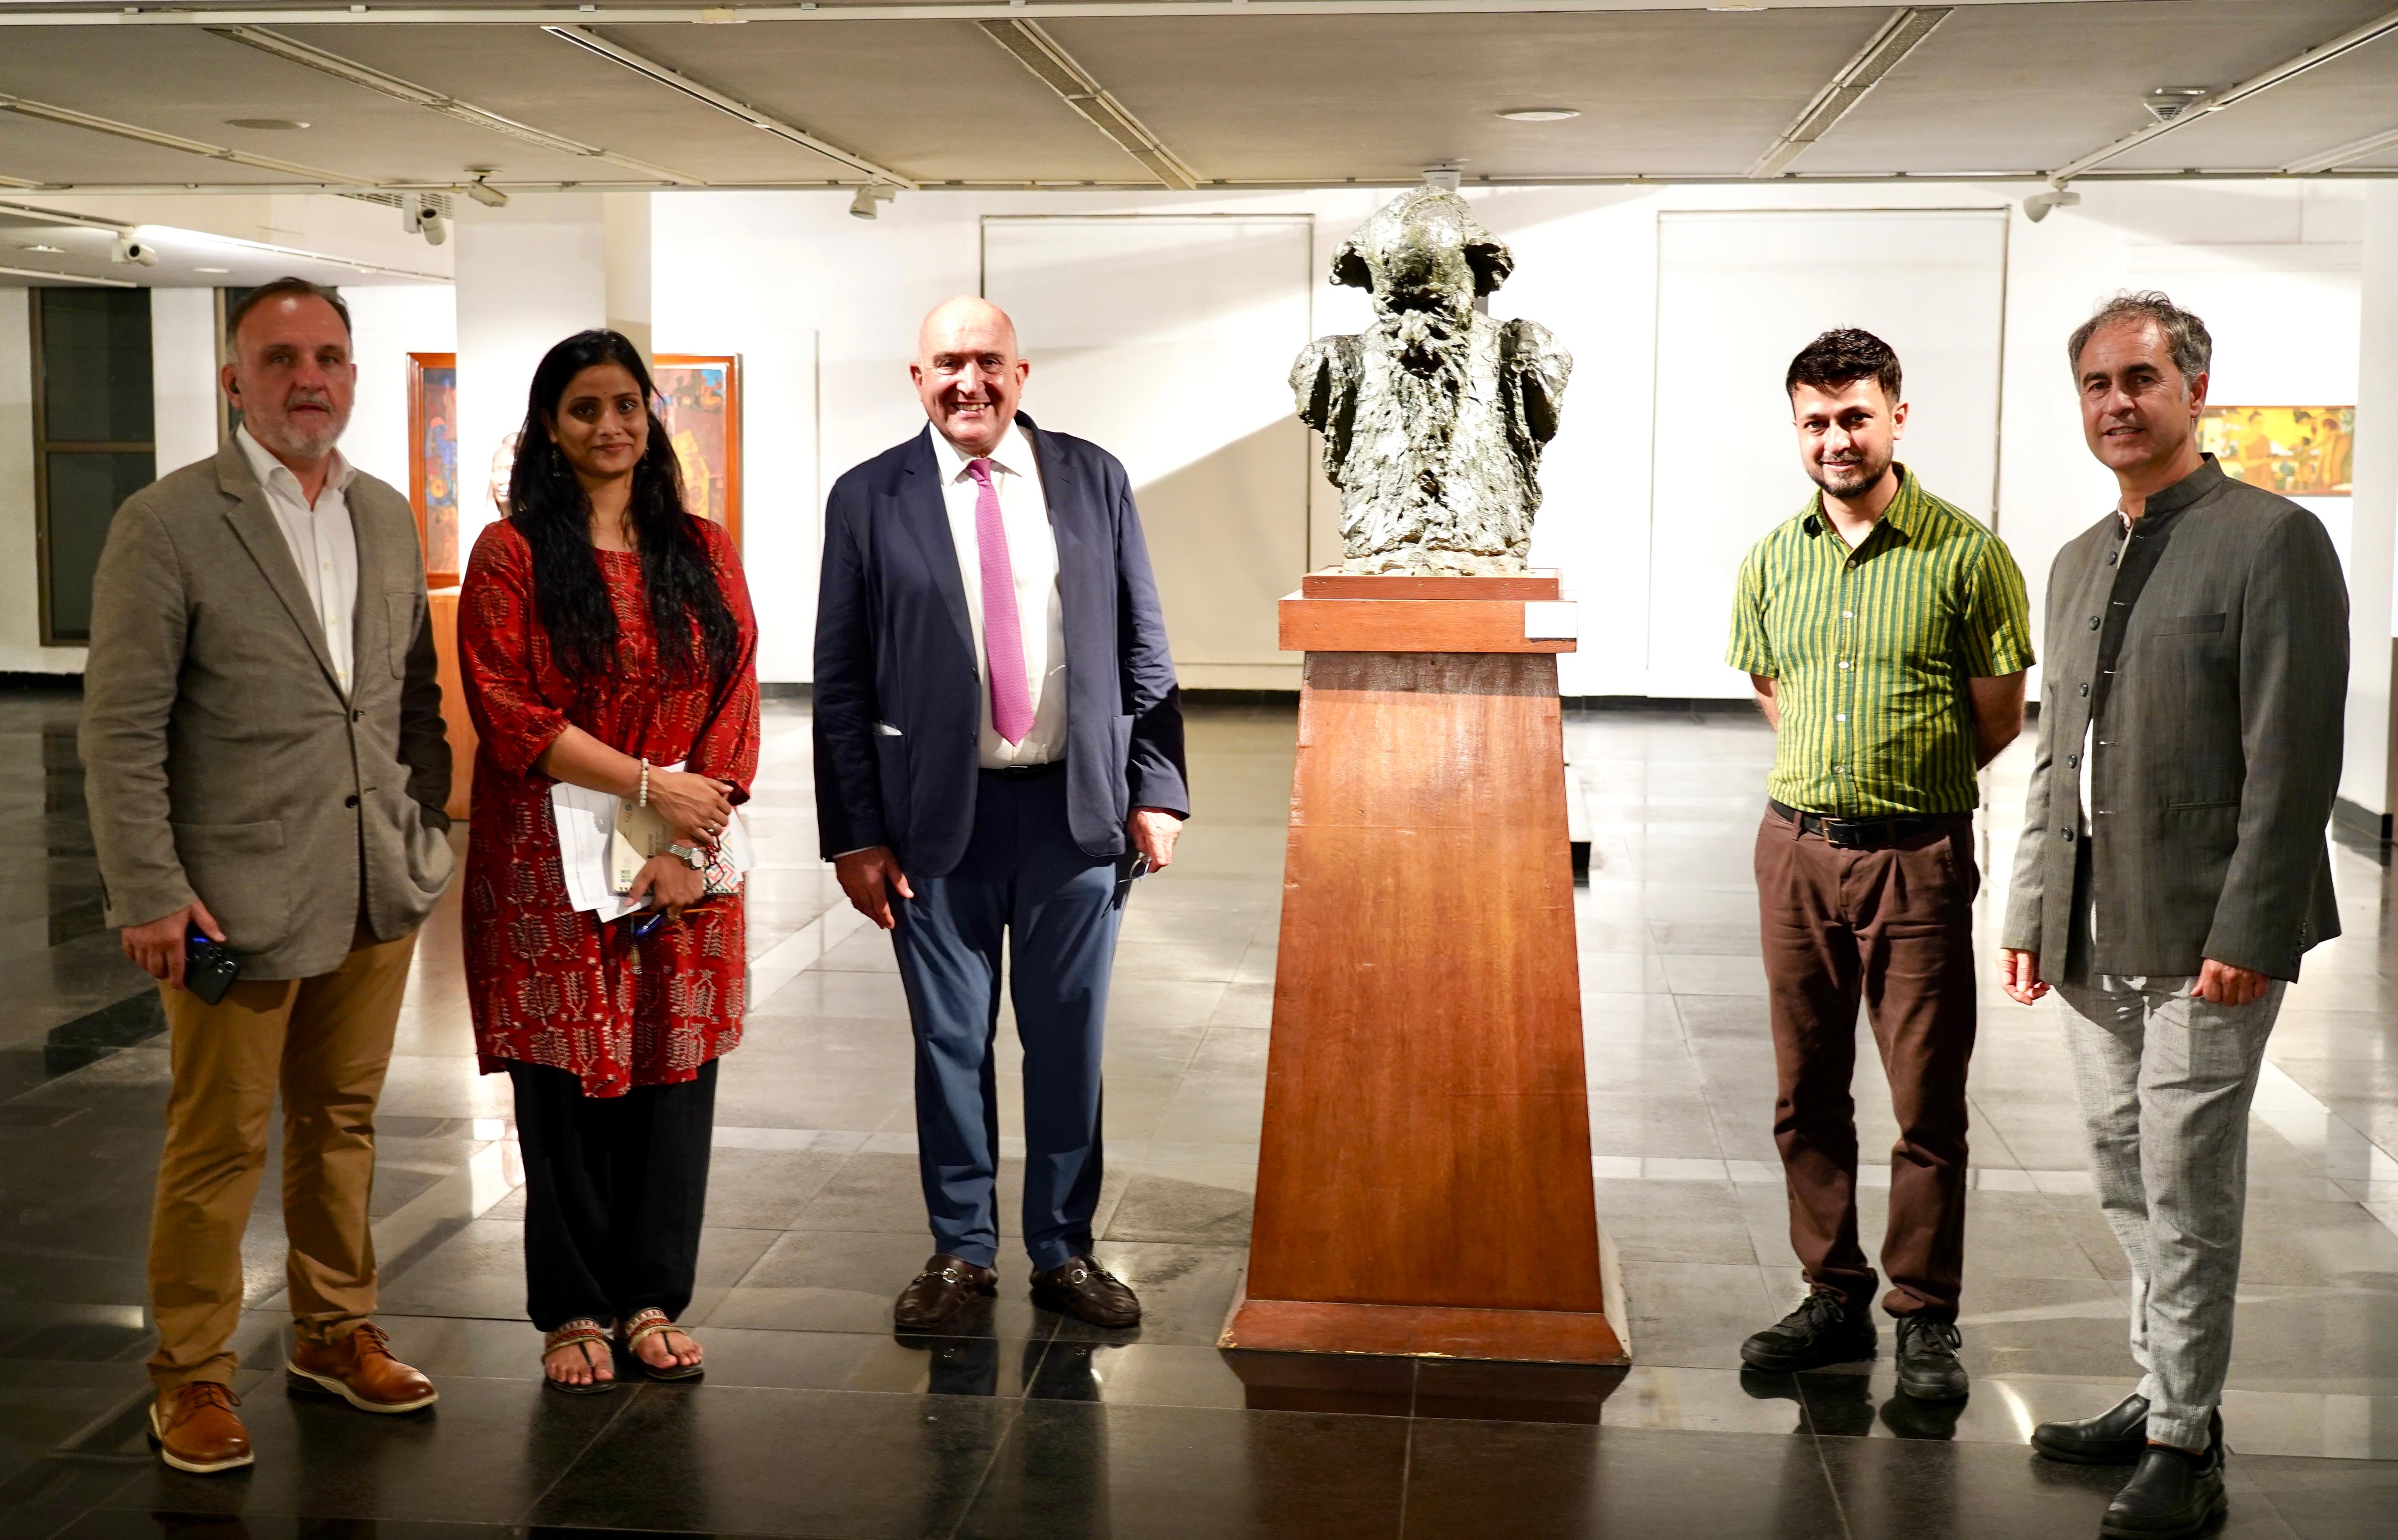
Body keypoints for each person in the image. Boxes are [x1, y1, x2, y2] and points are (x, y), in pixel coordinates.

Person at [81, 276, 453, 1474]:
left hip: (372, 888)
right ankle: (192, 1373)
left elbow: (410, 696)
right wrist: (150, 890)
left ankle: (334, 1330)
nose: (310, 380)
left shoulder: (383, 513)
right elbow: (121, 728)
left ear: (353, 375)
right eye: (282, 358)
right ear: (234, 379)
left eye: (330, 357)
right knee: (219, 1138)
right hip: (225, 905)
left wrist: (424, 831)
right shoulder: (169, 522)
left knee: (341, 1123)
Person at [2002, 293, 2347, 1540]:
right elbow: (2057, 758)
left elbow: (2292, 760)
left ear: (2194, 391)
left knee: (2188, 1187)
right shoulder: (2075, 560)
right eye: (2096, 384)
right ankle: (2158, 1390)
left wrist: (2250, 932)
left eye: (2140, 379)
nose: (2117, 404)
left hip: (2209, 940)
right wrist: (2032, 905)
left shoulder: (2273, 540)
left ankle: (2185, 1441)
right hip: (2093, 929)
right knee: (2122, 1175)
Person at [815, 296, 1189, 1330]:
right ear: (917, 378)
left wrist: (1157, 788)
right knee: (949, 1043)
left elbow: (1144, 643)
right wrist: (855, 834)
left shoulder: (1092, 478)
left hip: (1075, 812)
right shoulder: (868, 498)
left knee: (1069, 1044)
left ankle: (1064, 1251)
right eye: (948, 364)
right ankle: (961, 1250)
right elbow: (840, 680)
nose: (968, 382)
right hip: (936, 823)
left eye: (987, 362)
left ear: (1021, 374)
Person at [1725, 328, 2034, 1402]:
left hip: (1917, 859)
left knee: (1925, 1101)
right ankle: (1831, 1294)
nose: (1836, 439)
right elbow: (1773, 688)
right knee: (1804, 1091)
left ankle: (1923, 1313)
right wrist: (1834, 782)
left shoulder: (1967, 556)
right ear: (1795, 429)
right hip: (1796, 852)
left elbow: (1998, 714)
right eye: (1815, 422)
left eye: (1854, 417)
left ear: (1896, 416)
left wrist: (1901, 783)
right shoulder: (1771, 558)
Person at [458, 330, 760, 1393]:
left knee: (673, 1075)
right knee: (566, 1085)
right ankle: (574, 1307)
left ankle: (650, 1299)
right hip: (547, 859)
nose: (610, 426)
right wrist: (648, 786)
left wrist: (685, 836)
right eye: (584, 408)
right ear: (551, 426)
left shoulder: (703, 547)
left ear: (650, 416)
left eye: (626, 404)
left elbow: (736, 696)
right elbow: (507, 709)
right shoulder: (512, 553)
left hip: (682, 849)